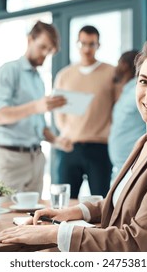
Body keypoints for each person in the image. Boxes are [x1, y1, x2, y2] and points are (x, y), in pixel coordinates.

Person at [0, 36, 147, 252]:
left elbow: (134, 242)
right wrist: (74, 212)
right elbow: (123, 203)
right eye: (144, 81)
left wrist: (52, 234)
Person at [0, 21, 72, 196]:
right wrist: (36, 106)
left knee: (33, 218)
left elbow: (38, 124)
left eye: (49, 51)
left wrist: (56, 140)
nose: (45, 54)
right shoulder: (9, 71)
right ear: (29, 40)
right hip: (11, 159)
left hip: (36, 158)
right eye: (42, 47)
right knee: (6, 218)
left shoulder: (38, 80)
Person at [53, 25, 116, 198]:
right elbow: (58, 112)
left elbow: (118, 109)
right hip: (70, 147)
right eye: (83, 44)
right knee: (64, 202)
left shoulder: (111, 73)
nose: (87, 49)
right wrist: (65, 132)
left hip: (100, 147)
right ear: (77, 44)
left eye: (91, 44)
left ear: (98, 45)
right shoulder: (64, 75)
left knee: (101, 202)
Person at [108, 50, 146, 182]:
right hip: (121, 169)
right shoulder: (126, 92)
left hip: (135, 169)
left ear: (124, 65)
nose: (115, 69)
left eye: (118, 64)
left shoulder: (138, 92)